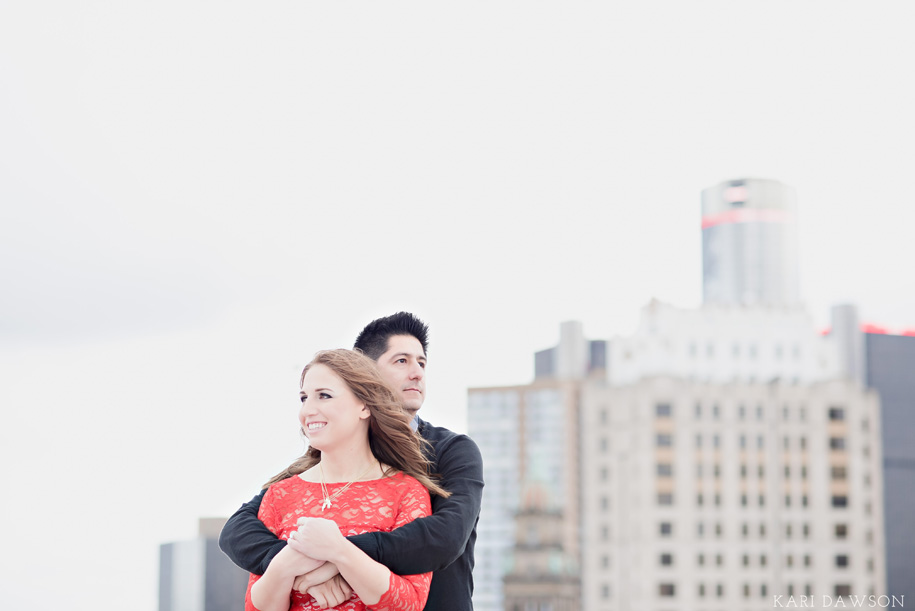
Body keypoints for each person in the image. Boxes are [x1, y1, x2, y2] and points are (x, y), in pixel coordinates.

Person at [221, 312, 484, 610]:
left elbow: (445, 538)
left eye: (421, 363)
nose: (417, 373)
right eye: (402, 361)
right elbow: (237, 530)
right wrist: (295, 563)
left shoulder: (451, 451)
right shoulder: (319, 461)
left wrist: (336, 554)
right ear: (364, 371)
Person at [245, 348, 449, 611]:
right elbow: (254, 606)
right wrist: (286, 564)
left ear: (364, 406)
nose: (308, 410)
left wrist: (339, 551)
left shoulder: (406, 492)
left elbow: (410, 604)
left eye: (324, 396)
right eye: (304, 398)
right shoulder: (279, 494)